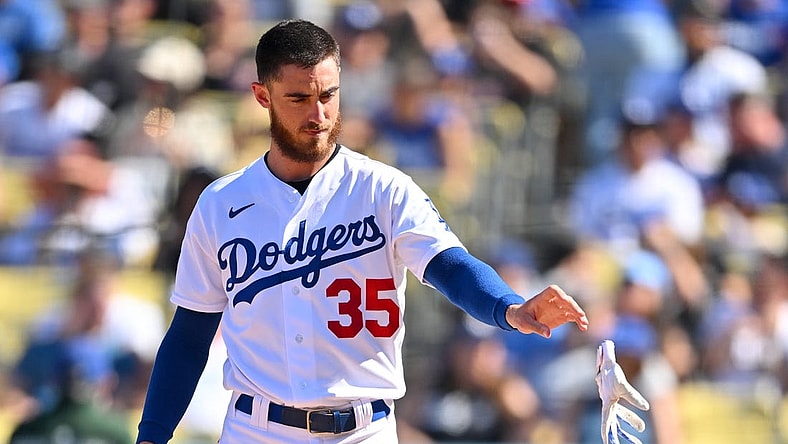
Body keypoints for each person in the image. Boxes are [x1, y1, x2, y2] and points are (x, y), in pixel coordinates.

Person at [134, 19, 589, 444]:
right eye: (299, 98)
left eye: (328, 95)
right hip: (258, 428)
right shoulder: (221, 203)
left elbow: (449, 265)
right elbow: (190, 333)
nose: (318, 113)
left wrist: (506, 306)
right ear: (262, 95)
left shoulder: (383, 189)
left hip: (362, 429)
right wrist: (152, 435)